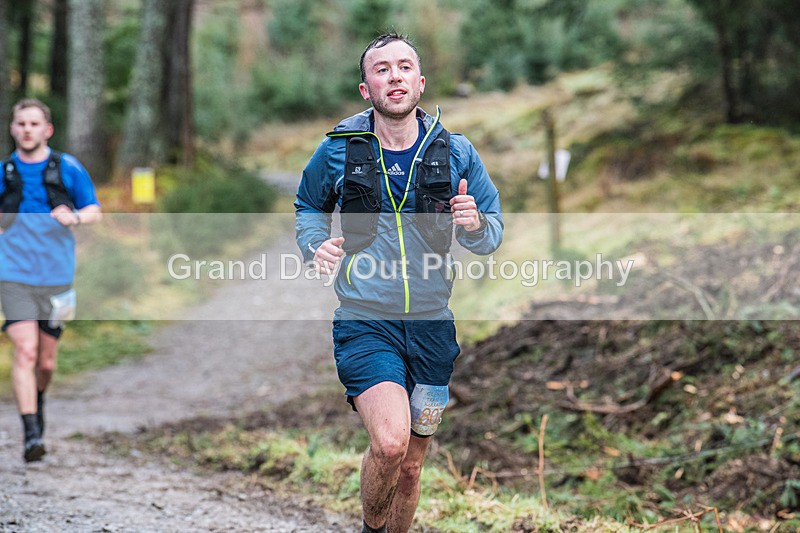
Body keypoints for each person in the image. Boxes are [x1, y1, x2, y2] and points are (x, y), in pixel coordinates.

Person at [295, 33, 502, 532]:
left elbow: (491, 231)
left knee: (411, 467)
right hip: (367, 321)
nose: (395, 76)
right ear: (366, 88)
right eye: (382, 69)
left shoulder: (456, 151)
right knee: (390, 443)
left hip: (433, 329)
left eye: (404, 67)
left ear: (420, 83)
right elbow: (308, 206)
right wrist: (314, 245)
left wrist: (474, 224)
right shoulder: (338, 150)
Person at [0, 99, 101, 462]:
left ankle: (37, 401)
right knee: (24, 351)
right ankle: (30, 435)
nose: (27, 129)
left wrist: (73, 217)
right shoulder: (5, 172)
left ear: (47, 130)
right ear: (12, 129)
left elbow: (94, 210)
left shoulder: (67, 167)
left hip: (58, 277)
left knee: (46, 363)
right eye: (20, 123)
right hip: (12, 275)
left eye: (33, 124)